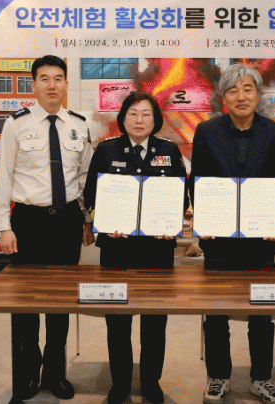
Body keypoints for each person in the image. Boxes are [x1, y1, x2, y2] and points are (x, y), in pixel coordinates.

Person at [189, 63, 275, 404]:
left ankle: (261, 378)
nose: (241, 96)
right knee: (216, 313)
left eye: (248, 89)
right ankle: (218, 376)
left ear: (258, 94)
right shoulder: (207, 132)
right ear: (224, 98)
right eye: (233, 91)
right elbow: (198, 181)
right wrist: (205, 218)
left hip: (261, 242)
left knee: (261, 315)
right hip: (219, 241)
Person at [0, 54, 94, 400]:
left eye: (58, 78)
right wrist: (4, 226)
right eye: (44, 78)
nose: (52, 85)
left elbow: (84, 177)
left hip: (67, 221)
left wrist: (86, 220)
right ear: (34, 85)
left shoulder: (79, 124)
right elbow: (3, 177)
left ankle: (55, 374)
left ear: (66, 83)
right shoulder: (16, 124)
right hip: (28, 222)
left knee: (60, 303)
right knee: (26, 303)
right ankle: (28, 373)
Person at [83, 91, 187, 404]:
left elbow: (180, 195)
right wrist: (103, 220)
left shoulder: (169, 150)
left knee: (155, 321)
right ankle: (120, 383)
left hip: (158, 250)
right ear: (123, 118)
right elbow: (91, 194)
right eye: (133, 113)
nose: (139, 120)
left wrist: (172, 223)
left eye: (146, 114)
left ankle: (151, 382)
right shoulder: (107, 149)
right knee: (118, 320)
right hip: (117, 249)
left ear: (155, 120)